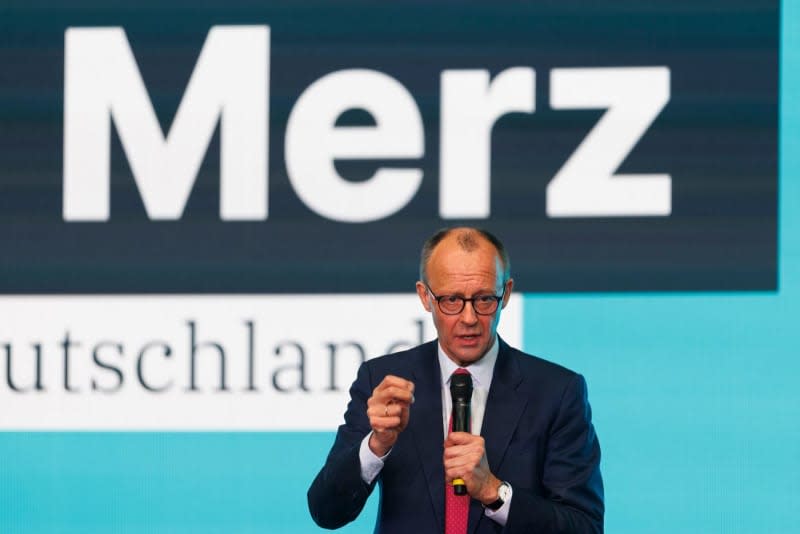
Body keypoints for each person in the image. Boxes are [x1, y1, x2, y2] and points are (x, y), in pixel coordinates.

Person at [308, 227, 603, 533]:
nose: (469, 318)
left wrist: (495, 492)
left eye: (485, 299)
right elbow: (326, 512)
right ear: (426, 297)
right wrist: (376, 445)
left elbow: (585, 527)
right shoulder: (382, 381)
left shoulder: (556, 392)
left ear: (507, 293)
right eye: (451, 300)